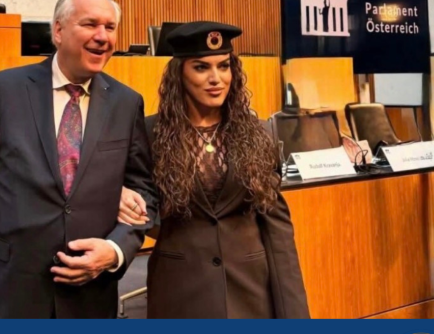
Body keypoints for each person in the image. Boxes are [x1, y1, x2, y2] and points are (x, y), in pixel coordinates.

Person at [0, 0, 158, 318]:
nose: (102, 36)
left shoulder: (126, 102)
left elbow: (143, 193)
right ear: (58, 31)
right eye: (90, 24)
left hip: (91, 295)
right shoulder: (5, 90)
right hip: (13, 289)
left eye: (110, 27)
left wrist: (115, 250)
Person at [119, 21, 309, 318]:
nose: (216, 79)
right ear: (179, 74)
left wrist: (295, 314)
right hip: (180, 291)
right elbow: (138, 206)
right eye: (201, 68)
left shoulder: (258, 133)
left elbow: (278, 231)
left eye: (223, 66)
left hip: (251, 291)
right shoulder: (149, 133)